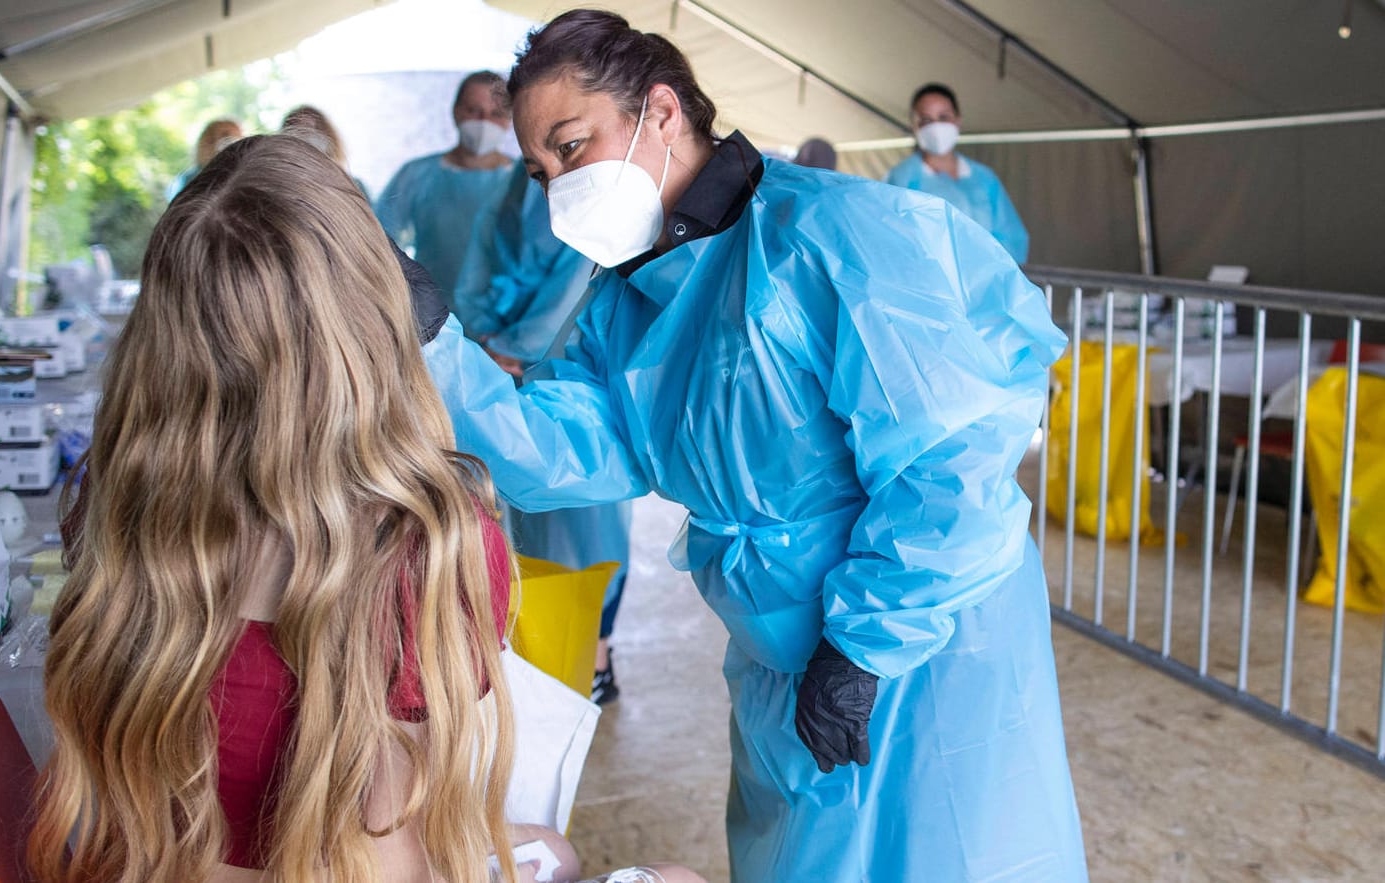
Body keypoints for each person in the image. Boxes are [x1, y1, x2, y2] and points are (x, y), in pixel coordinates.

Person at [423, 10, 1087, 882]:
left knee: (945, 854)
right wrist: (432, 345)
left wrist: (862, 648)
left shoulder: (836, 234)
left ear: (661, 112)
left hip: (923, 643)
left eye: (572, 147)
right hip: (780, 650)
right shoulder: (627, 296)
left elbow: (949, 465)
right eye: (541, 169)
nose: (557, 188)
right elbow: (568, 449)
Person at [32, 134, 703, 883]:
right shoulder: (423, 544)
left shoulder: (110, 495)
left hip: (153, 859)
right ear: (374, 314)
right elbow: (383, 856)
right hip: (326, 864)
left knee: (554, 844)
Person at [453, 171, 634, 703]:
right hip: (507, 380)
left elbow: (578, 299)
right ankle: (553, 654)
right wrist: (488, 344)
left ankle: (594, 655)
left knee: (591, 532)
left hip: (567, 386)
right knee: (528, 530)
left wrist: (505, 349)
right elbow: (476, 276)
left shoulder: (592, 213)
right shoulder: (506, 200)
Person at [377, 71, 519, 298]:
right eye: (474, 111)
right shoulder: (416, 175)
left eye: (496, 113)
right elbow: (379, 241)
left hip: (502, 319)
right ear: (456, 111)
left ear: (510, 119)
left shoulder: (522, 182)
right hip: (431, 313)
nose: (484, 122)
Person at [886, 82, 1030, 262]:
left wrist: (988, 270)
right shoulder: (900, 179)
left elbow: (1011, 237)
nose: (936, 127)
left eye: (944, 117)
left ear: (957, 120)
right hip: (928, 285)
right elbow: (891, 241)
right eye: (926, 120)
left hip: (984, 283)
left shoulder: (984, 178)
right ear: (914, 126)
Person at [280, 104, 371, 201]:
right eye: (299, 133)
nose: (307, 142)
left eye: (313, 133)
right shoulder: (279, 188)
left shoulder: (353, 187)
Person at [167, 118, 242, 200]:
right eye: (225, 136)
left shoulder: (243, 177)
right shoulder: (188, 180)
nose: (230, 144)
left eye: (236, 139)